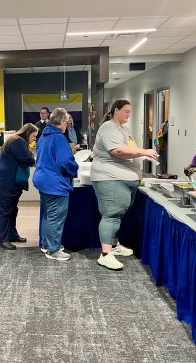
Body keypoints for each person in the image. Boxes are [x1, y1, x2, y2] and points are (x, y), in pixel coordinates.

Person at [91, 99, 158, 271]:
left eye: (130, 111)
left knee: (117, 215)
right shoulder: (108, 128)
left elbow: (129, 149)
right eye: (126, 111)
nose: (129, 114)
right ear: (116, 110)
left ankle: (114, 245)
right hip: (111, 178)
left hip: (124, 179)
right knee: (111, 215)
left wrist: (140, 156)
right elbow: (117, 151)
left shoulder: (123, 129)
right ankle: (105, 255)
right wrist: (144, 151)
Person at [33, 107, 79, 261]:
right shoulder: (59, 138)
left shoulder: (44, 136)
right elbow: (65, 161)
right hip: (55, 183)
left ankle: (46, 245)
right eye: (66, 122)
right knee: (56, 217)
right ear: (60, 122)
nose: (67, 125)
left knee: (47, 215)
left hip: (43, 180)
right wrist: (75, 168)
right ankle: (54, 250)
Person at [0, 123, 38, 250]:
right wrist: (35, 161)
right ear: (28, 133)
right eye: (34, 136)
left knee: (12, 209)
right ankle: (2, 240)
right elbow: (26, 159)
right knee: (5, 210)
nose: (34, 139)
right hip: (4, 179)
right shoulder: (18, 141)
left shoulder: (18, 141)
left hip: (10, 179)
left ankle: (11, 235)